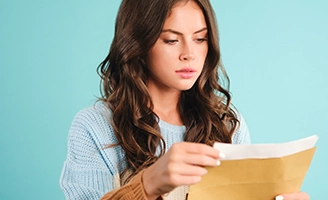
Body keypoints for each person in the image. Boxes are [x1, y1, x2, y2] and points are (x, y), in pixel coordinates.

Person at [59, 0, 310, 199]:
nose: (189, 54)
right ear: (138, 43)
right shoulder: (95, 127)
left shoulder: (228, 124)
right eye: (171, 40)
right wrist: (147, 186)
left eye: (200, 39)